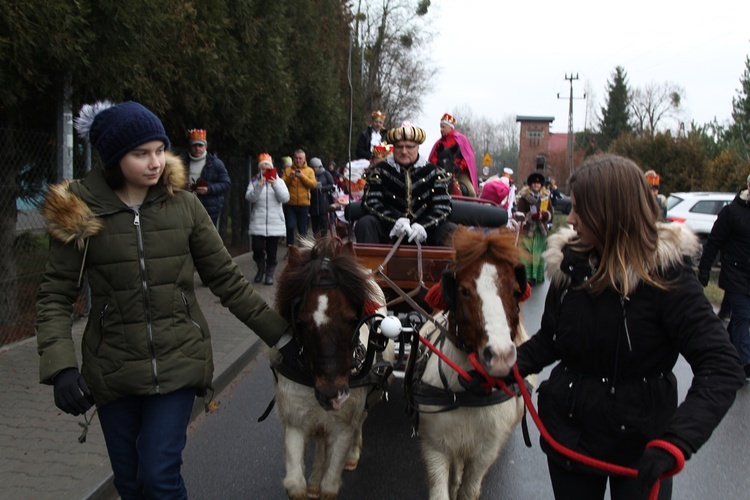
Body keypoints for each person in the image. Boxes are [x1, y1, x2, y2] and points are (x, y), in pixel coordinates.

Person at [35, 101, 300, 499]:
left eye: (159, 149)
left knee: (159, 477)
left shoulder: (185, 206)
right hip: (112, 370)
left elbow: (228, 282)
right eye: (141, 153)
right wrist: (61, 368)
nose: (155, 162)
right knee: (130, 484)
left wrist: (283, 338)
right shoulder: (79, 212)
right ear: (113, 157)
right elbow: (54, 296)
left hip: (178, 361)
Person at [513, 154, 745, 500]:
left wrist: (677, 441)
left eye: (580, 209)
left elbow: (721, 366)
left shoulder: (667, 277)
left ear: (610, 213)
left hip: (643, 446)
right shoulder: (570, 266)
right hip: (571, 436)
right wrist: (509, 366)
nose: (571, 219)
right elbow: (553, 338)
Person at [355, 122, 453, 245]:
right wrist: (394, 222)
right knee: (365, 223)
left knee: (451, 230)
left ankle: (446, 265)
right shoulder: (380, 171)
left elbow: (443, 207)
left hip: (425, 235)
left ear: (418, 147)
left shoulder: (434, 173)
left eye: (409, 146)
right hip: (388, 233)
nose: (404, 151)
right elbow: (371, 202)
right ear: (393, 148)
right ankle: (368, 263)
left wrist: (424, 227)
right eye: (399, 147)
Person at [698, 173, 750, 378]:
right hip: (735, 273)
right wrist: (704, 269)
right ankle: (744, 363)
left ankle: (723, 351)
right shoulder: (732, 212)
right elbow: (714, 242)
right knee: (743, 316)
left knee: (738, 318)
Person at [245, 153, 289, 285]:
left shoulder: (279, 181)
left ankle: (269, 273)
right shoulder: (254, 181)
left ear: (272, 168)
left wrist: (275, 184)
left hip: (275, 222)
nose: (265, 171)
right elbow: (250, 198)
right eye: (262, 168)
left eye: (267, 168)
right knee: (257, 248)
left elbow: (285, 198)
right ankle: (260, 268)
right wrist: (259, 185)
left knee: (272, 250)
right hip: (258, 221)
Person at [182, 128, 231, 229]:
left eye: (200, 145)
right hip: (186, 206)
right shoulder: (182, 162)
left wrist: (209, 189)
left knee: (208, 240)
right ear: (190, 147)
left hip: (209, 209)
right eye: (194, 145)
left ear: (206, 146)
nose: (197, 148)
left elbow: (226, 184)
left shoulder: (216, 163)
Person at [428, 113, 478, 197]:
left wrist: (459, 167)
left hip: (459, 174)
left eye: (443, 127)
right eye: (441, 127)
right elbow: (433, 159)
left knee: (471, 192)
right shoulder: (439, 143)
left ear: (450, 127)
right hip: (441, 173)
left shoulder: (462, 139)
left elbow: (468, 158)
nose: (441, 129)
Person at [516, 171, 553, 285]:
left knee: (538, 253)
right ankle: (526, 277)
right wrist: (531, 216)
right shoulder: (524, 197)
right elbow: (519, 213)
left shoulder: (546, 198)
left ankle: (537, 275)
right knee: (526, 254)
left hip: (540, 230)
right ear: (530, 185)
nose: (536, 185)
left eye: (538, 183)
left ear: (541, 185)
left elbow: (551, 213)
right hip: (528, 230)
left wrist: (545, 215)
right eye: (534, 183)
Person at [281, 149, 317, 246]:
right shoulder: (287, 170)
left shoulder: (309, 171)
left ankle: (302, 248)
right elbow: (281, 184)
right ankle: (290, 248)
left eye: (300, 158)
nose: (298, 160)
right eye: (296, 158)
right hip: (290, 203)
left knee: (302, 228)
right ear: (293, 158)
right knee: (290, 226)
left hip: (304, 203)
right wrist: (290, 177)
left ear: (304, 159)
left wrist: (302, 177)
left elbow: (313, 184)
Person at [308, 157, 335, 238]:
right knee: (314, 224)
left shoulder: (326, 173)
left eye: (316, 167)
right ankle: (316, 239)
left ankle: (324, 239)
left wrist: (323, 188)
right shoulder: (310, 174)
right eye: (313, 167)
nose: (314, 169)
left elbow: (332, 185)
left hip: (323, 201)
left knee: (323, 222)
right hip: (313, 202)